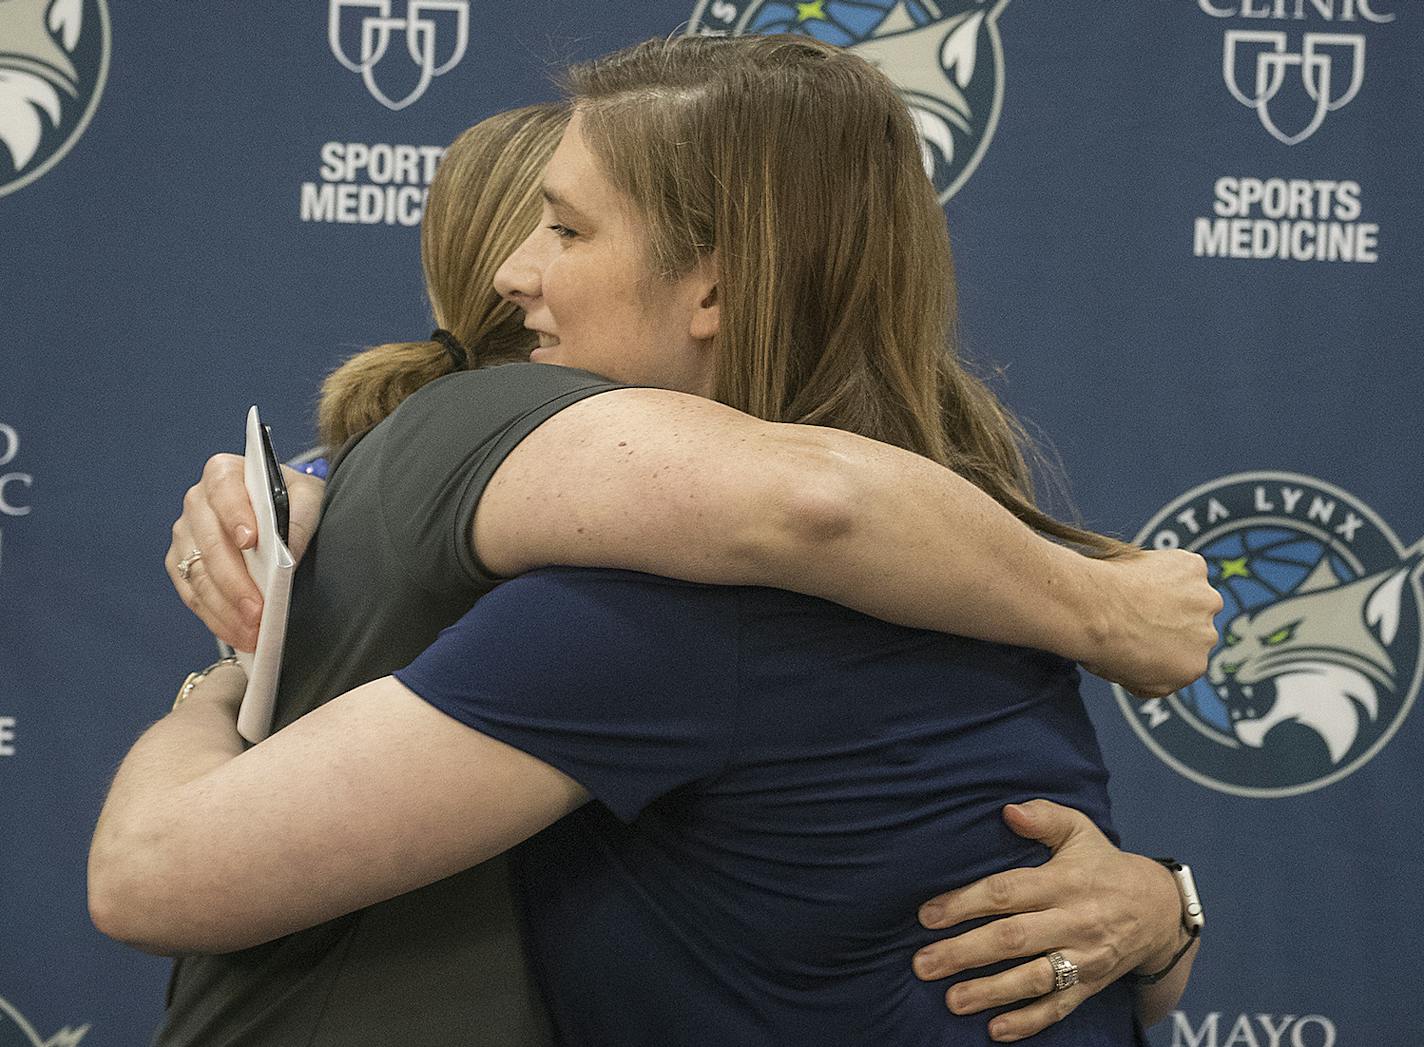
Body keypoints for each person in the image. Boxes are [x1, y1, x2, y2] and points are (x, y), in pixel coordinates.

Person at [92, 40, 1214, 1047]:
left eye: (568, 229)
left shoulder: (664, 612)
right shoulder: (965, 537)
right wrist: (1165, 909)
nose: (513, 274)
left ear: (714, 287)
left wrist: (223, 687)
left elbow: (148, 878)